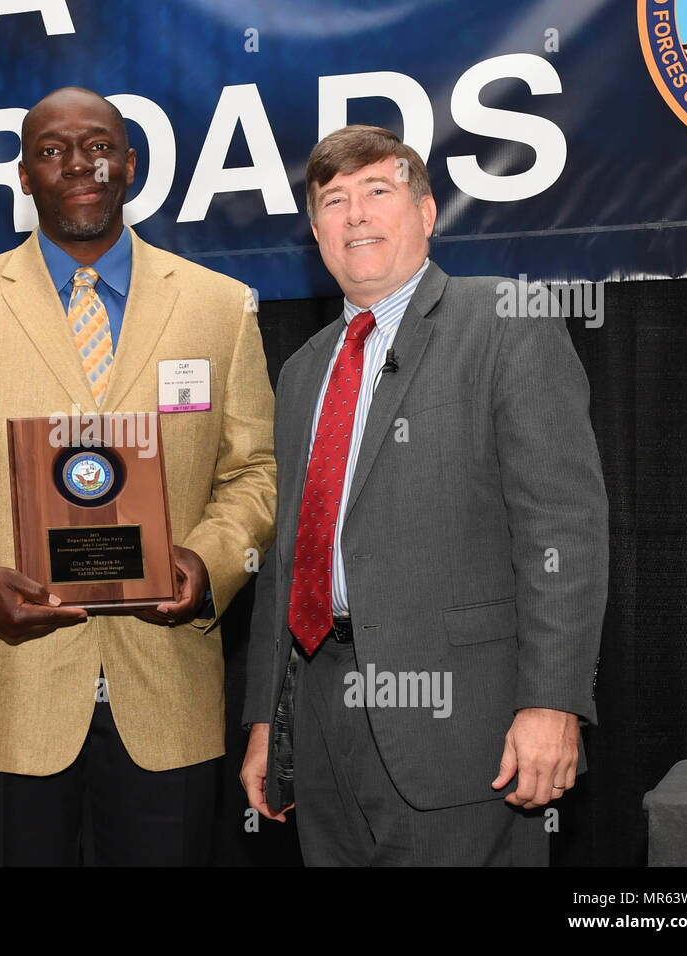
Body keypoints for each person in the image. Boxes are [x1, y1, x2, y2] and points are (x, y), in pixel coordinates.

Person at [0, 87, 277, 865]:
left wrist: (210, 561)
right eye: (52, 151)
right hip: (3, 701)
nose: (79, 164)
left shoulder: (219, 307)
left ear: (130, 162)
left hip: (166, 701)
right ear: (24, 176)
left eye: (97, 145)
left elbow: (253, 471)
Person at [240, 125, 609, 865]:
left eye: (378, 191)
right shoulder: (303, 372)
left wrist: (552, 701)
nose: (356, 214)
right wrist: (264, 724)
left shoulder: (507, 320)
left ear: (428, 211)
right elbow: (286, 558)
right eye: (334, 201)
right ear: (316, 233)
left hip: (463, 726)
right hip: (319, 727)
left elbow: (561, 530)